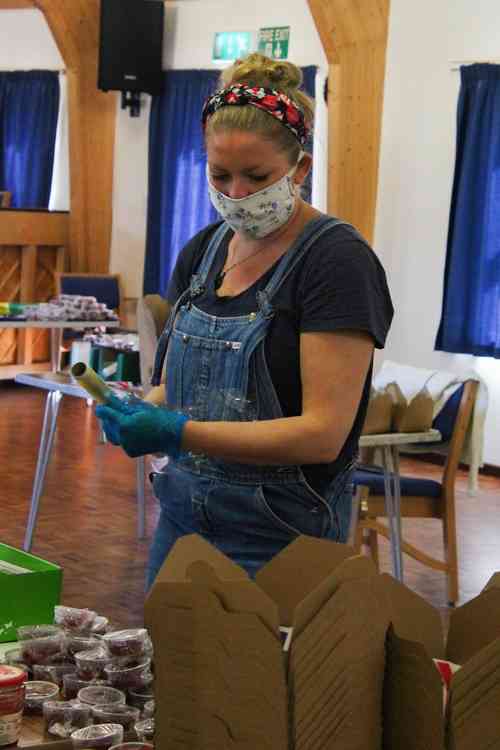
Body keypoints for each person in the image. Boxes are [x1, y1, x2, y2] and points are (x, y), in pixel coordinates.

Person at [96, 53, 394, 587]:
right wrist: (140, 407)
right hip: (183, 519)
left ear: (300, 169)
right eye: (219, 175)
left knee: (260, 670)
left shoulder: (334, 261)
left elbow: (322, 435)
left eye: (257, 176)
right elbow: (177, 390)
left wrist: (181, 432)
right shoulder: (203, 253)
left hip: (281, 534)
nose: (236, 194)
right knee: (171, 666)